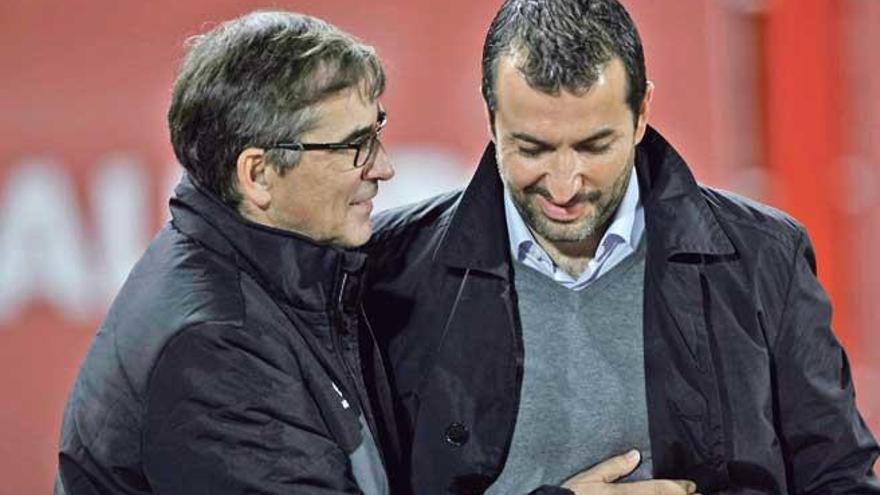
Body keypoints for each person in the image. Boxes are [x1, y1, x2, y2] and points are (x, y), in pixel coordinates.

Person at [363, 0, 880, 494]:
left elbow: (839, 478)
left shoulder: (766, 259)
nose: (564, 185)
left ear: (642, 114)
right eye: (532, 148)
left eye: (594, 146)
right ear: (490, 117)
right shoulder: (390, 270)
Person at [56, 11, 397, 495]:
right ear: (258, 175)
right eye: (355, 147)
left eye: (377, 131)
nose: (384, 167)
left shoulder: (266, 273)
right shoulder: (216, 352)